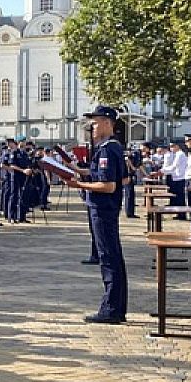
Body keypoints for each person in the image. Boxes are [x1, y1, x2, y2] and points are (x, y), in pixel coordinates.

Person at [66, 106, 127, 324]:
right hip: (103, 208)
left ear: (108, 123)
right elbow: (103, 174)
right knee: (113, 257)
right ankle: (117, 306)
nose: (93, 125)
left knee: (108, 258)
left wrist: (79, 184)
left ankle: (111, 309)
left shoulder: (108, 149)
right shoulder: (107, 148)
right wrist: (79, 171)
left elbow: (109, 185)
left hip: (103, 208)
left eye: (97, 121)